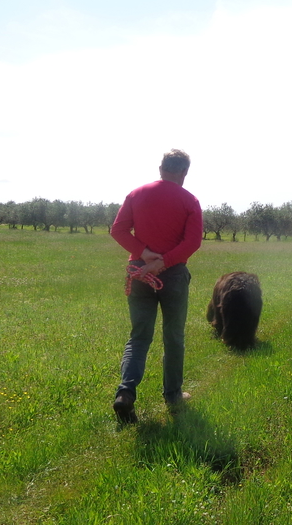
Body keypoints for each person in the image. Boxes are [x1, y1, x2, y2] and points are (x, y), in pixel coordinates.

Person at [110, 149, 203, 423]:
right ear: (184, 172)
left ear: (161, 168)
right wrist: (162, 262)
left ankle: (125, 393)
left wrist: (145, 255)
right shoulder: (190, 201)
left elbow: (118, 230)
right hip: (172, 276)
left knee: (139, 337)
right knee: (173, 337)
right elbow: (192, 242)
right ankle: (173, 396)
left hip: (139, 273)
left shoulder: (136, 194)